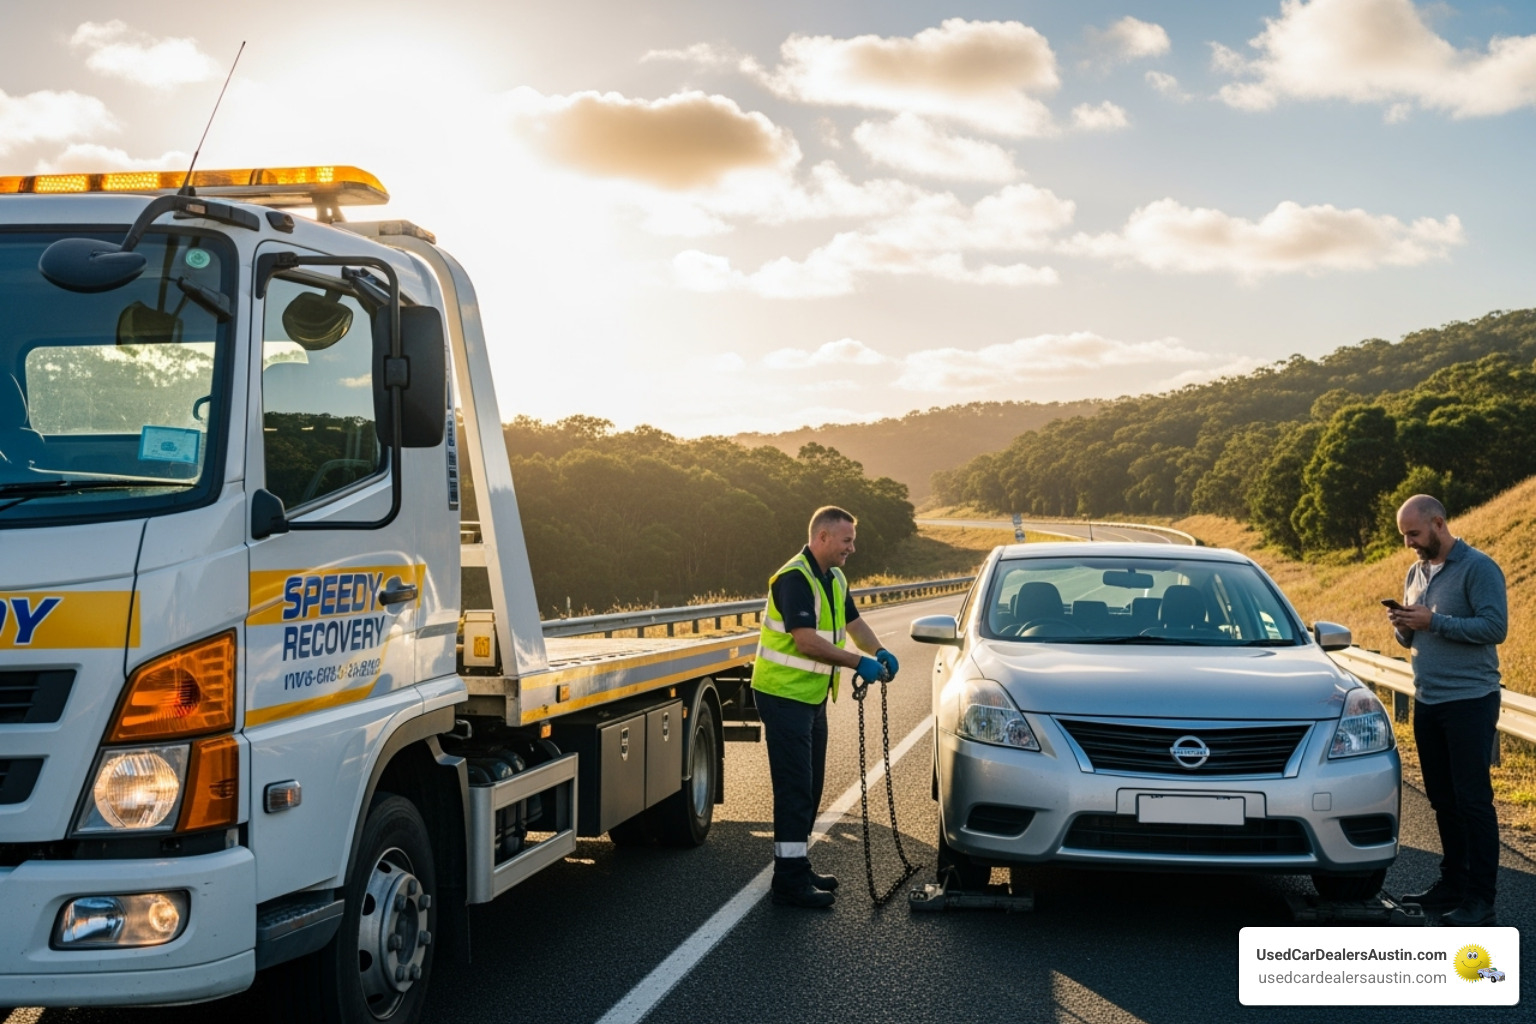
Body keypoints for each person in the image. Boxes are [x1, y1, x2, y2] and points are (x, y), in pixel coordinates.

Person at [751, 506, 899, 908]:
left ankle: (797, 867)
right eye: (847, 540)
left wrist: (879, 650)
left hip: (811, 697)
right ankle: (788, 883)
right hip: (783, 696)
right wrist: (857, 662)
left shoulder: (834, 577)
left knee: (811, 786)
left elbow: (854, 624)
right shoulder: (795, 578)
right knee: (795, 788)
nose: (852, 548)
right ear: (823, 538)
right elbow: (806, 642)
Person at [1388, 494, 1507, 926]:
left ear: (1438, 523)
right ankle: (1453, 885)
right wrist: (1404, 626)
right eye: (1404, 536)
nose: (1409, 543)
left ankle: (1481, 901)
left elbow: (1495, 627)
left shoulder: (1479, 568)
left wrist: (1433, 621)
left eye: (1414, 534)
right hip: (1428, 700)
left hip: (1470, 701)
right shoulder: (1416, 571)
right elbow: (1414, 638)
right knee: (1443, 800)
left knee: (1473, 801)